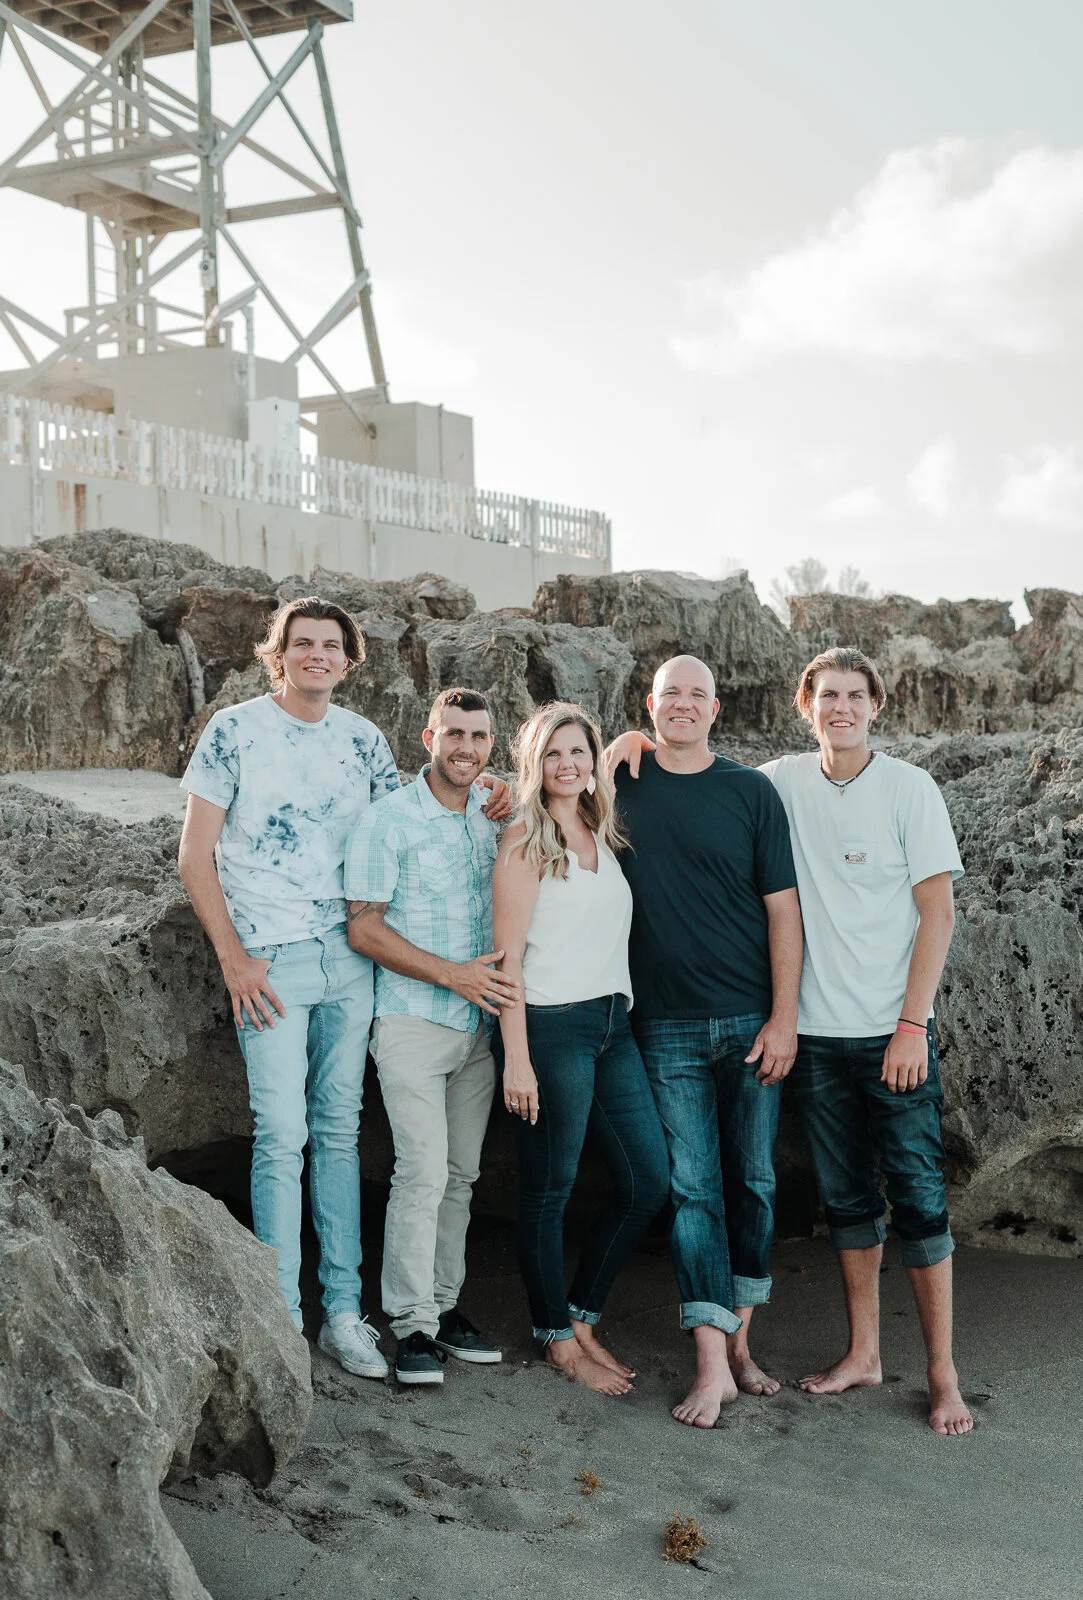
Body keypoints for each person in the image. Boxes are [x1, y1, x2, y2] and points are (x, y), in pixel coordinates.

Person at [179, 602, 509, 1378]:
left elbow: (412, 808)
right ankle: (280, 1315)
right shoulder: (233, 730)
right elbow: (194, 855)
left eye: (331, 645)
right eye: (303, 644)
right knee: (279, 1132)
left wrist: (491, 786)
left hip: (349, 959)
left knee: (337, 1132)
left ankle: (341, 1314)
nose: (317, 655)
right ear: (279, 654)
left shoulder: (362, 739)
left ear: (348, 659)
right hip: (269, 961)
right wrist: (234, 960)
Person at [760, 647, 973, 1436]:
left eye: (854, 695)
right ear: (805, 704)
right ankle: (863, 1354)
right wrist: (630, 747)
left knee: (917, 1200)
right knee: (846, 1200)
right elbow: (696, 774)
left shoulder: (909, 788)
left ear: (875, 706)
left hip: (895, 1035)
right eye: (827, 695)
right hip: (815, 1037)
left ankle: (942, 1373)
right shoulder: (779, 781)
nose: (840, 707)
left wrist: (911, 1026)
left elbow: (937, 914)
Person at [603, 657, 803, 1427]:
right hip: (662, 1025)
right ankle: (711, 1363)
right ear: (649, 704)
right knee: (693, 1190)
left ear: (715, 709)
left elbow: (782, 911)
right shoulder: (618, 782)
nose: (682, 704)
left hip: (750, 1021)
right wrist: (612, 747)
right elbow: (544, 788)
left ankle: (740, 1342)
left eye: (696, 695)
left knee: (753, 1182)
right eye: (669, 694)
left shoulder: (750, 791)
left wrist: (783, 1019)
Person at [492, 703, 670, 1396]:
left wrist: (633, 738)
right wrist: (516, 1057)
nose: (566, 765)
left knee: (647, 1181)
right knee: (549, 1189)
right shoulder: (523, 841)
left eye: (578, 753)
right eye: (553, 754)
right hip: (549, 1028)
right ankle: (556, 1339)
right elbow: (506, 962)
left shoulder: (601, 830)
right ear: (533, 765)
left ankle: (582, 1314)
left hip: (612, 1026)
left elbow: (631, 744)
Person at [344, 688, 514, 1385]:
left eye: (478, 737)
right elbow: (363, 928)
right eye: (453, 735)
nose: (465, 748)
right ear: (428, 738)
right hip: (413, 1021)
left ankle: (443, 1308)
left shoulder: (491, 814)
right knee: (420, 1173)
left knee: (461, 1176)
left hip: (477, 1030)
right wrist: (452, 976)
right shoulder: (387, 819)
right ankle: (410, 1325)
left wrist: (506, 791)